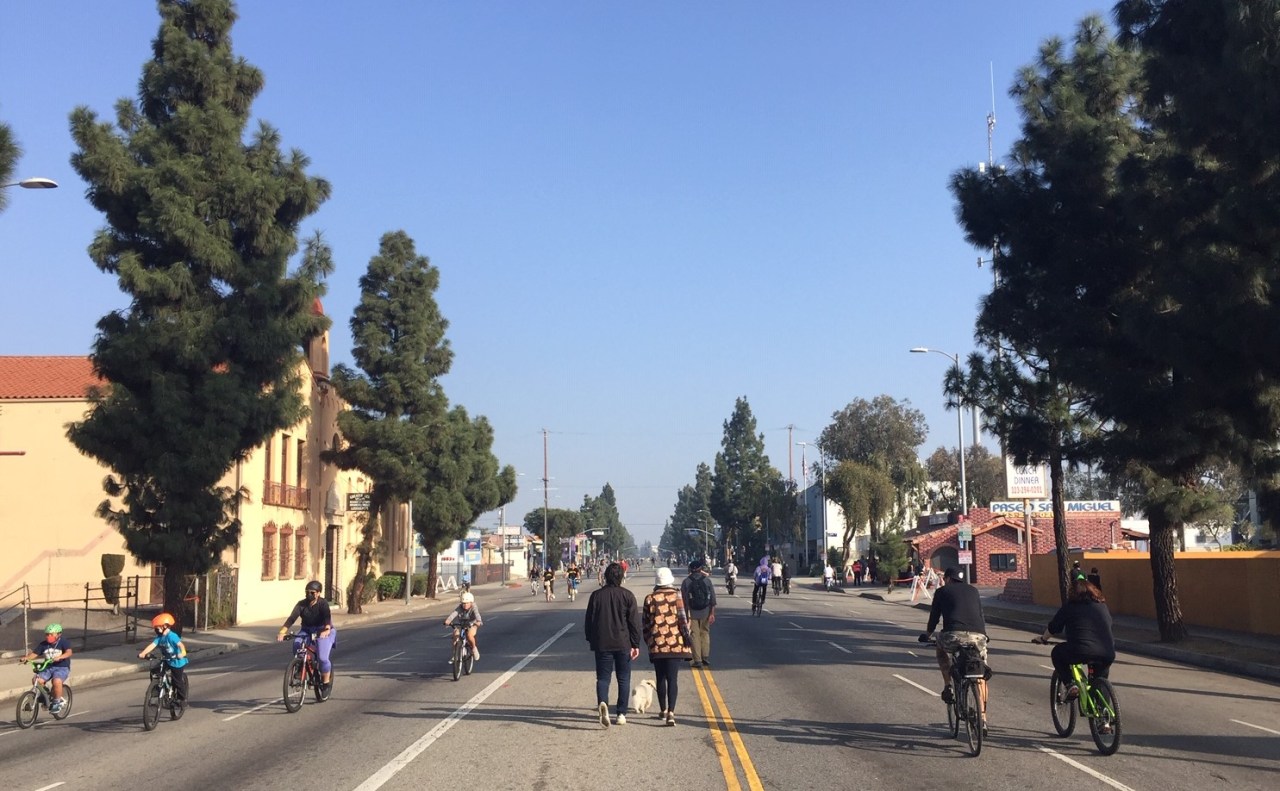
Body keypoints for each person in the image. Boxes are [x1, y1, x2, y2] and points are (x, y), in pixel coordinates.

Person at [921, 566, 989, 734]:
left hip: (953, 635)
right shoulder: (973, 590)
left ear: (948, 579)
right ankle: (983, 718)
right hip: (978, 636)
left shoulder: (942, 592)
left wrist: (927, 634)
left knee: (940, 648)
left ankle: (948, 685)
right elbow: (980, 615)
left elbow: (934, 618)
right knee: (980, 674)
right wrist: (983, 635)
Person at [584, 562, 642, 728]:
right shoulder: (627, 595)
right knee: (623, 678)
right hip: (623, 642)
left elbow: (589, 620)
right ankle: (621, 713)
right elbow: (634, 623)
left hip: (602, 643)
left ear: (605, 576)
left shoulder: (596, 596)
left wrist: (591, 639)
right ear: (621, 577)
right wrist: (635, 643)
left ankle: (603, 703)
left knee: (603, 678)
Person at [1041, 573, 1115, 701]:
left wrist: (1043, 639)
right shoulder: (1102, 606)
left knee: (1057, 653)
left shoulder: (1070, 607)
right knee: (1100, 681)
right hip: (1107, 652)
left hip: (1080, 651)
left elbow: (1054, 627)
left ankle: (1070, 684)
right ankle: (1105, 715)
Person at [643, 567, 692, 726]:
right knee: (673, 678)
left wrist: (649, 641)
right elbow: (685, 620)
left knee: (660, 677)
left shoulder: (650, 598)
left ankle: (663, 710)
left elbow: (645, 624)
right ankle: (671, 712)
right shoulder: (679, 596)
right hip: (675, 645)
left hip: (657, 644)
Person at [277, 580, 336, 695]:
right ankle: (300, 665)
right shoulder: (301, 604)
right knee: (297, 644)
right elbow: (292, 618)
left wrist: (327, 629)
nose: (309, 595)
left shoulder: (322, 603)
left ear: (318, 593)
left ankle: (325, 683)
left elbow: (326, 617)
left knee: (323, 658)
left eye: (312, 592)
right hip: (306, 630)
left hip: (322, 630)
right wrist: (282, 632)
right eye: (307, 592)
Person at [138, 612, 189, 706]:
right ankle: (156, 690)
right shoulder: (160, 637)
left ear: (165, 626)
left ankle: (182, 699)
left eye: (157, 627)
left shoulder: (172, 636)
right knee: (155, 671)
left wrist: (182, 653)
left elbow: (181, 645)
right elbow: (152, 645)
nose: (156, 629)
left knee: (177, 681)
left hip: (177, 661)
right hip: (167, 659)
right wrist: (143, 653)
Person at [23, 623, 73, 713]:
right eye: (47, 634)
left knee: (56, 681)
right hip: (48, 667)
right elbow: (35, 654)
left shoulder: (63, 642)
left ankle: (56, 702)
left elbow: (69, 652)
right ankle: (44, 695)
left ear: (58, 634)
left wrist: (60, 657)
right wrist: (26, 658)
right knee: (36, 680)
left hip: (62, 667)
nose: (48, 636)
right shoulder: (44, 644)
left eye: (51, 634)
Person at [680, 559, 717, 667]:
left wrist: (685, 615)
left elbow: (683, 599)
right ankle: (705, 656)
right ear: (700, 569)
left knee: (694, 634)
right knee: (705, 633)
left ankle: (698, 660)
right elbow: (713, 599)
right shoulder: (706, 581)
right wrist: (712, 613)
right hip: (705, 610)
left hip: (692, 612)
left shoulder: (686, 581)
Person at [444, 590, 483, 662]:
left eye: (467, 603)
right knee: (455, 635)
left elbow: (477, 614)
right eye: (463, 603)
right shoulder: (460, 607)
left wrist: (478, 622)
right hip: (462, 624)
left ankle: (474, 648)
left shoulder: (473, 606)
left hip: (472, 624)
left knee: (469, 635)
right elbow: (454, 614)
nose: (465, 605)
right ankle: (455, 655)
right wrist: (448, 621)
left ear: (471, 602)